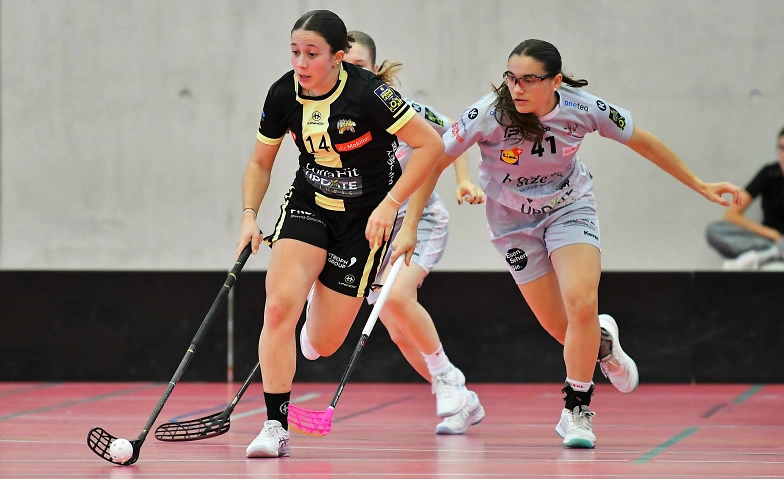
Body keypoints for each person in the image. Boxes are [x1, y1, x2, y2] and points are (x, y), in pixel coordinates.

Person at [392, 39, 742, 449]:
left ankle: (576, 411)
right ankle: (603, 343)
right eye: (510, 78)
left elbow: (642, 140)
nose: (517, 88)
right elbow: (434, 161)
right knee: (562, 326)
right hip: (512, 224)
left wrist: (700, 184)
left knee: (581, 301)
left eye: (529, 79)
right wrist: (410, 225)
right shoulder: (488, 112)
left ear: (555, 81)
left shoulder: (582, 108)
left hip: (569, 207)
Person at [237, 10, 444, 458]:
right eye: (295, 52)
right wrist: (250, 216)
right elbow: (259, 162)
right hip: (309, 204)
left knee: (325, 343)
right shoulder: (283, 93)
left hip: (364, 220)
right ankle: (275, 426)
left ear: (337, 56)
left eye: (312, 53)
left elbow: (432, 144)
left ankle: (318, 296)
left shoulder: (369, 93)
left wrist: (392, 205)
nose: (301, 62)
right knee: (278, 308)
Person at [298, 30, 486, 435]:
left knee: (398, 297)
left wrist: (463, 180)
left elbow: (454, 132)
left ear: (375, 69)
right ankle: (460, 397)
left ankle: (447, 377)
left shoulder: (403, 110)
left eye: (359, 66)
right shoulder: (328, 118)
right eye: (343, 65)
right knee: (399, 330)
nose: (349, 73)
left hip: (418, 220)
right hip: (369, 230)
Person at [706, 126, 784, 271]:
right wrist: (772, 234)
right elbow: (731, 215)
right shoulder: (769, 173)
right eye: (782, 148)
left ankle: (766, 256)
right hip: (766, 241)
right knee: (714, 230)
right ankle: (771, 253)